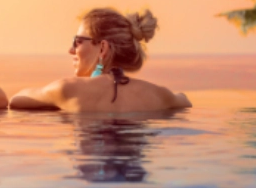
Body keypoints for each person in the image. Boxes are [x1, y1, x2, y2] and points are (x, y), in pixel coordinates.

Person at [10, 7, 191, 113]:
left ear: (103, 48)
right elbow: (184, 100)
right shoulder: (159, 95)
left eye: (78, 41)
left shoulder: (67, 90)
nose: (71, 49)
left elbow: (16, 100)